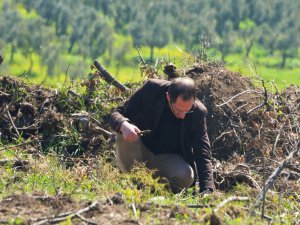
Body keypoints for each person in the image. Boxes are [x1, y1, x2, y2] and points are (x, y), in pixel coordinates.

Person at [109, 77, 215, 193]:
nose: (183, 116)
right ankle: (134, 184)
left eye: (187, 111)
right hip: (139, 151)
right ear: (168, 97)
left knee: (186, 175)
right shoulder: (151, 89)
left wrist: (207, 188)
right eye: (179, 110)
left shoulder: (198, 112)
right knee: (124, 132)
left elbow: (202, 150)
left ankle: (154, 191)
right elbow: (117, 113)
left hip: (166, 160)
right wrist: (124, 125)